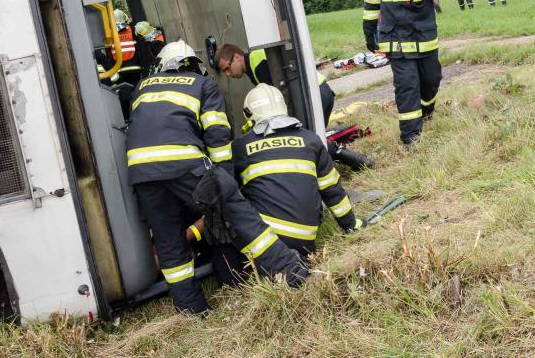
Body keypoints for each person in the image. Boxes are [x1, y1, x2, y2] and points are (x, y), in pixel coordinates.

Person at [127, 40, 306, 313]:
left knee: (169, 241)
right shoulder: (202, 84)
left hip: (141, 173)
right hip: (183, 162)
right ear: (194, 66)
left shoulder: (141, 88)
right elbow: (217, 135)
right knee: (239, 214)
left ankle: (192, 309)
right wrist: (225, 182)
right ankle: (291, 272)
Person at [231, 84, 362, 260]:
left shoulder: (240, 147)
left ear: (249, 114)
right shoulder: (310, 140)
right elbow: (332, 190)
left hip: (265, 238)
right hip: (305, 238)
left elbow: (230, 194)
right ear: (283, 108)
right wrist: (351, 225)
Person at [362, 0, 446, 146]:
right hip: (395, 39)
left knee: (431, 80)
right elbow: (370, 4)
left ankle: (427, 111)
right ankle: (411, 137)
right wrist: (369, 32)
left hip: (424, 36)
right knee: (407, 86)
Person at [215, 43, 336, 128]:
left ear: (237, 57)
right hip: (321, 89)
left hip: (313, 95)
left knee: (306, 143)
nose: (228, 74)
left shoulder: (259, 66)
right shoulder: (254, 62)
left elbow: (280, 98)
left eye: (227, 68)